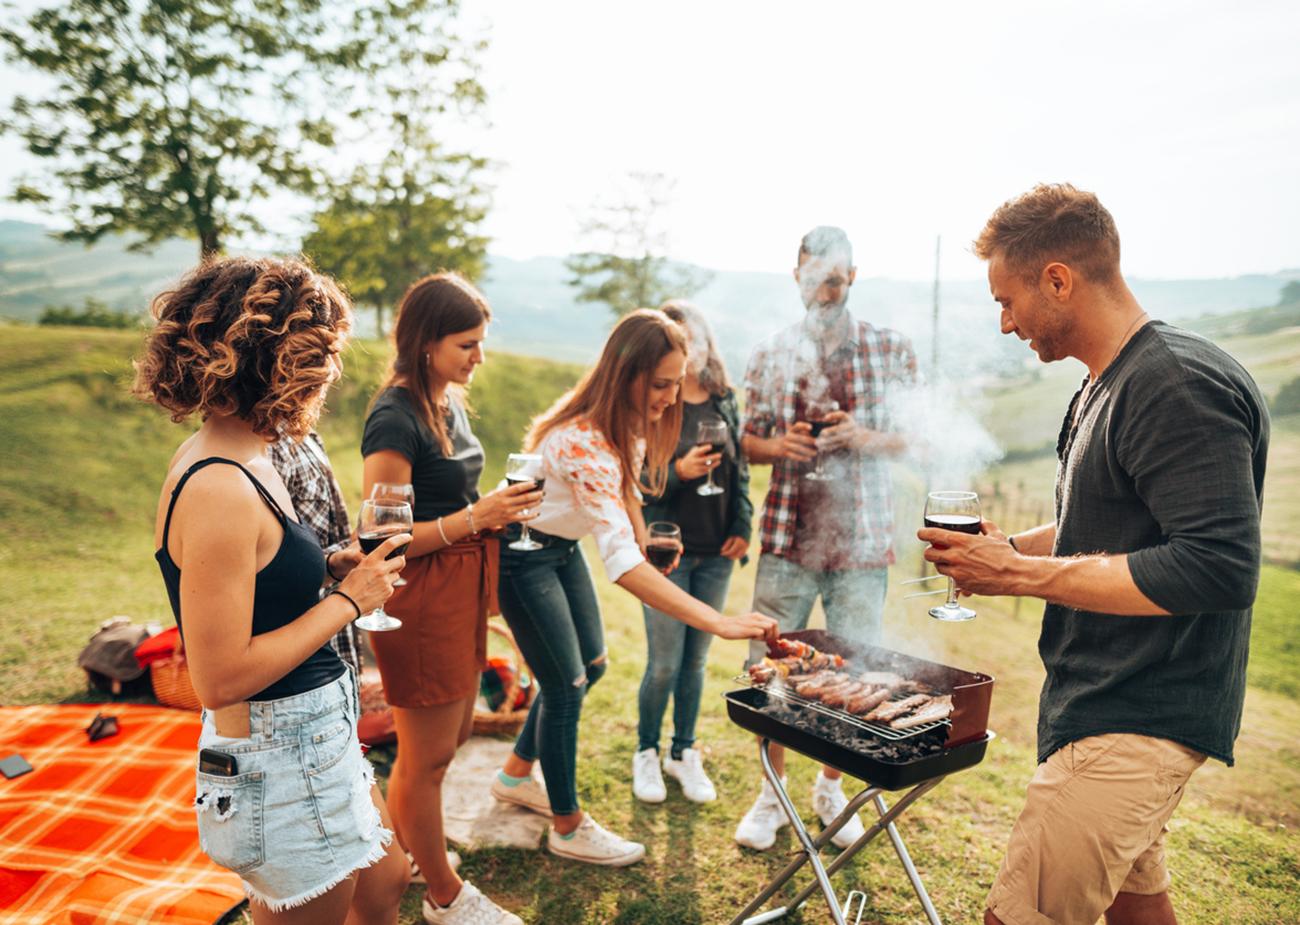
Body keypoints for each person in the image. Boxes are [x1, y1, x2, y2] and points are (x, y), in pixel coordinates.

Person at [931, 183, 1268, 925]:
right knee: (1135, 908)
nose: (1003, 322)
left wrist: (1019, 575)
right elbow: (1099, 524)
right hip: (1108, 706)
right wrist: (1002, 551)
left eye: (1007, 298)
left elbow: (1219, 565)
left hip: (1138, 715)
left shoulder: (1173, 384)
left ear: (1057, 278)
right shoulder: (1103, 383)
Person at [133, 256, 411, 924]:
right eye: (324, 356)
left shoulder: (252, 452)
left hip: (316, 735)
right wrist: (351, 602)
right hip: (280, 765)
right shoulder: (220, 484)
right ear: (282, 365)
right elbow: (220, 675)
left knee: (387, 880)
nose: (329, 375)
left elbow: (255, 583)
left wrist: (324, 569)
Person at [489, 308, 778, 866]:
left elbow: (626, 496)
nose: (674, 397)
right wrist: (716, 622)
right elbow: (621, 566)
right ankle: (567, 827)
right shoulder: (581, 441)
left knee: (591, 666)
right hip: (522, 557)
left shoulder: (629, 429)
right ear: (628, 377)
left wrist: (645, 541)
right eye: (664, 384)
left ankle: (515, 774)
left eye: (677, 382)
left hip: (561, 549)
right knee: (567, 687)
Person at [735, 226, 922, 852]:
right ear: (797, 278)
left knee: (857, 670)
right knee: (772, 672)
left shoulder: (890, 348)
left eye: (835, 281)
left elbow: (918, 438)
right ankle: (771, 796)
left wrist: (864, 437)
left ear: (851, 279)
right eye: (814, 280)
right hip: (788, 539)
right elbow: (745, 442)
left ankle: (829, 788)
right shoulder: (768, 354)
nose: (824, 291)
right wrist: (774, 445)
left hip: (862, 546)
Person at [360, 273, 539, 925]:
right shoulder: (394, 415)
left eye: (481, 342)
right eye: (467, 343)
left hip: (461, 585)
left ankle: (408, 850)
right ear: (425, 342)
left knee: (453, 733)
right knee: (427, 755)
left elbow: (447, 499)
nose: (479, 357)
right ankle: (443, 893)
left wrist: (494, 509)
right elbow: (382, 536)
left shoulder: (447, 401)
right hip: (418, 597)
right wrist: (476, 515)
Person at [631, 299, 752, 804]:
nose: (688, 352)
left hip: (717, 551)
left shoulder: (723, 397)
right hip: (666, 551)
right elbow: (635, 486)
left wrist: (744, 521)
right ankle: (646, 752)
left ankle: (684, 751)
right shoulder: (656, 400)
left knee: (696, 662)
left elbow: (739, 467)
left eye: (694, 340)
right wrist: (678, 475)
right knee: (664, 662)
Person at [269, 428, 364, 674]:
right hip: (300, 663)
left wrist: (335, 563)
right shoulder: (271, 447)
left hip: (334, 645)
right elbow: (269, 576)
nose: (330, 386)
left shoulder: (304, 433)